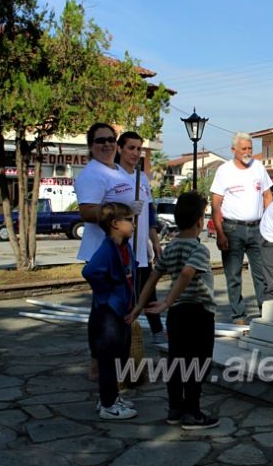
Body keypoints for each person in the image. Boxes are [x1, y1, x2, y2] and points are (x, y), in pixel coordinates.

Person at [130, 192, 219, 430]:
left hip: (177, 316)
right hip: (199, 313)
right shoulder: (199, 250)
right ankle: (193, 413)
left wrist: (140, 306)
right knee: (198, 363)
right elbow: (188, 274)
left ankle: (175, 409)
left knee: (177, 362)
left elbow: (153, 277)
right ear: (200, 221)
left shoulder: (169, 248)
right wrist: (168, 301)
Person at [75, 123, 144, 381]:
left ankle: (114, 365)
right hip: (101, 252)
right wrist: (121, 213)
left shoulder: (117, 170)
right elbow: (87, 211)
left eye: (111, 140)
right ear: (91, 146)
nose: (107, 144)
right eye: (100, 140)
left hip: (122, 251)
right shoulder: (92, 175)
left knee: (115, 311)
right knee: (105, 313)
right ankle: (101, 365)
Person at [81, 202, 138, 420]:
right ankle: (108, 404)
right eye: (130, 221)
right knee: (109, 360)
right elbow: (91, 271)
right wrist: (107, 295)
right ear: (115, 224)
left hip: (122, 311)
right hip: (109, 314)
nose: (133, 225)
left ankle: (111, 396)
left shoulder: (124, 246)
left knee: (119, 357)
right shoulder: (107, 250)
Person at [210, 132, 273, 325]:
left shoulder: (259, 168)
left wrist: (269, 223)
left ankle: (265, 313)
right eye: (244, 149)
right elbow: (216, 204)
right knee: (233, 275)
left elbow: (268, 196)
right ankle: (238, 315)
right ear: (233, 150)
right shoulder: (224, 171)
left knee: (261, 274)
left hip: (257, 228)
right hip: (232, 229)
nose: (247, 152)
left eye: (250, 149)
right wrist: (220, 233)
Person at [115, 131, 166, 344]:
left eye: (138, 149)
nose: (135, 153)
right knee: (124, 295)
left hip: (142, 249)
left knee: (148, 292)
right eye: (131, 148)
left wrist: (155, 242)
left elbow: (150, 214)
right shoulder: (112, 176)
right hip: (122, 248)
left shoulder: (142, 177)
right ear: (119, 149)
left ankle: (158, 333)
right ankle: (119, 335)